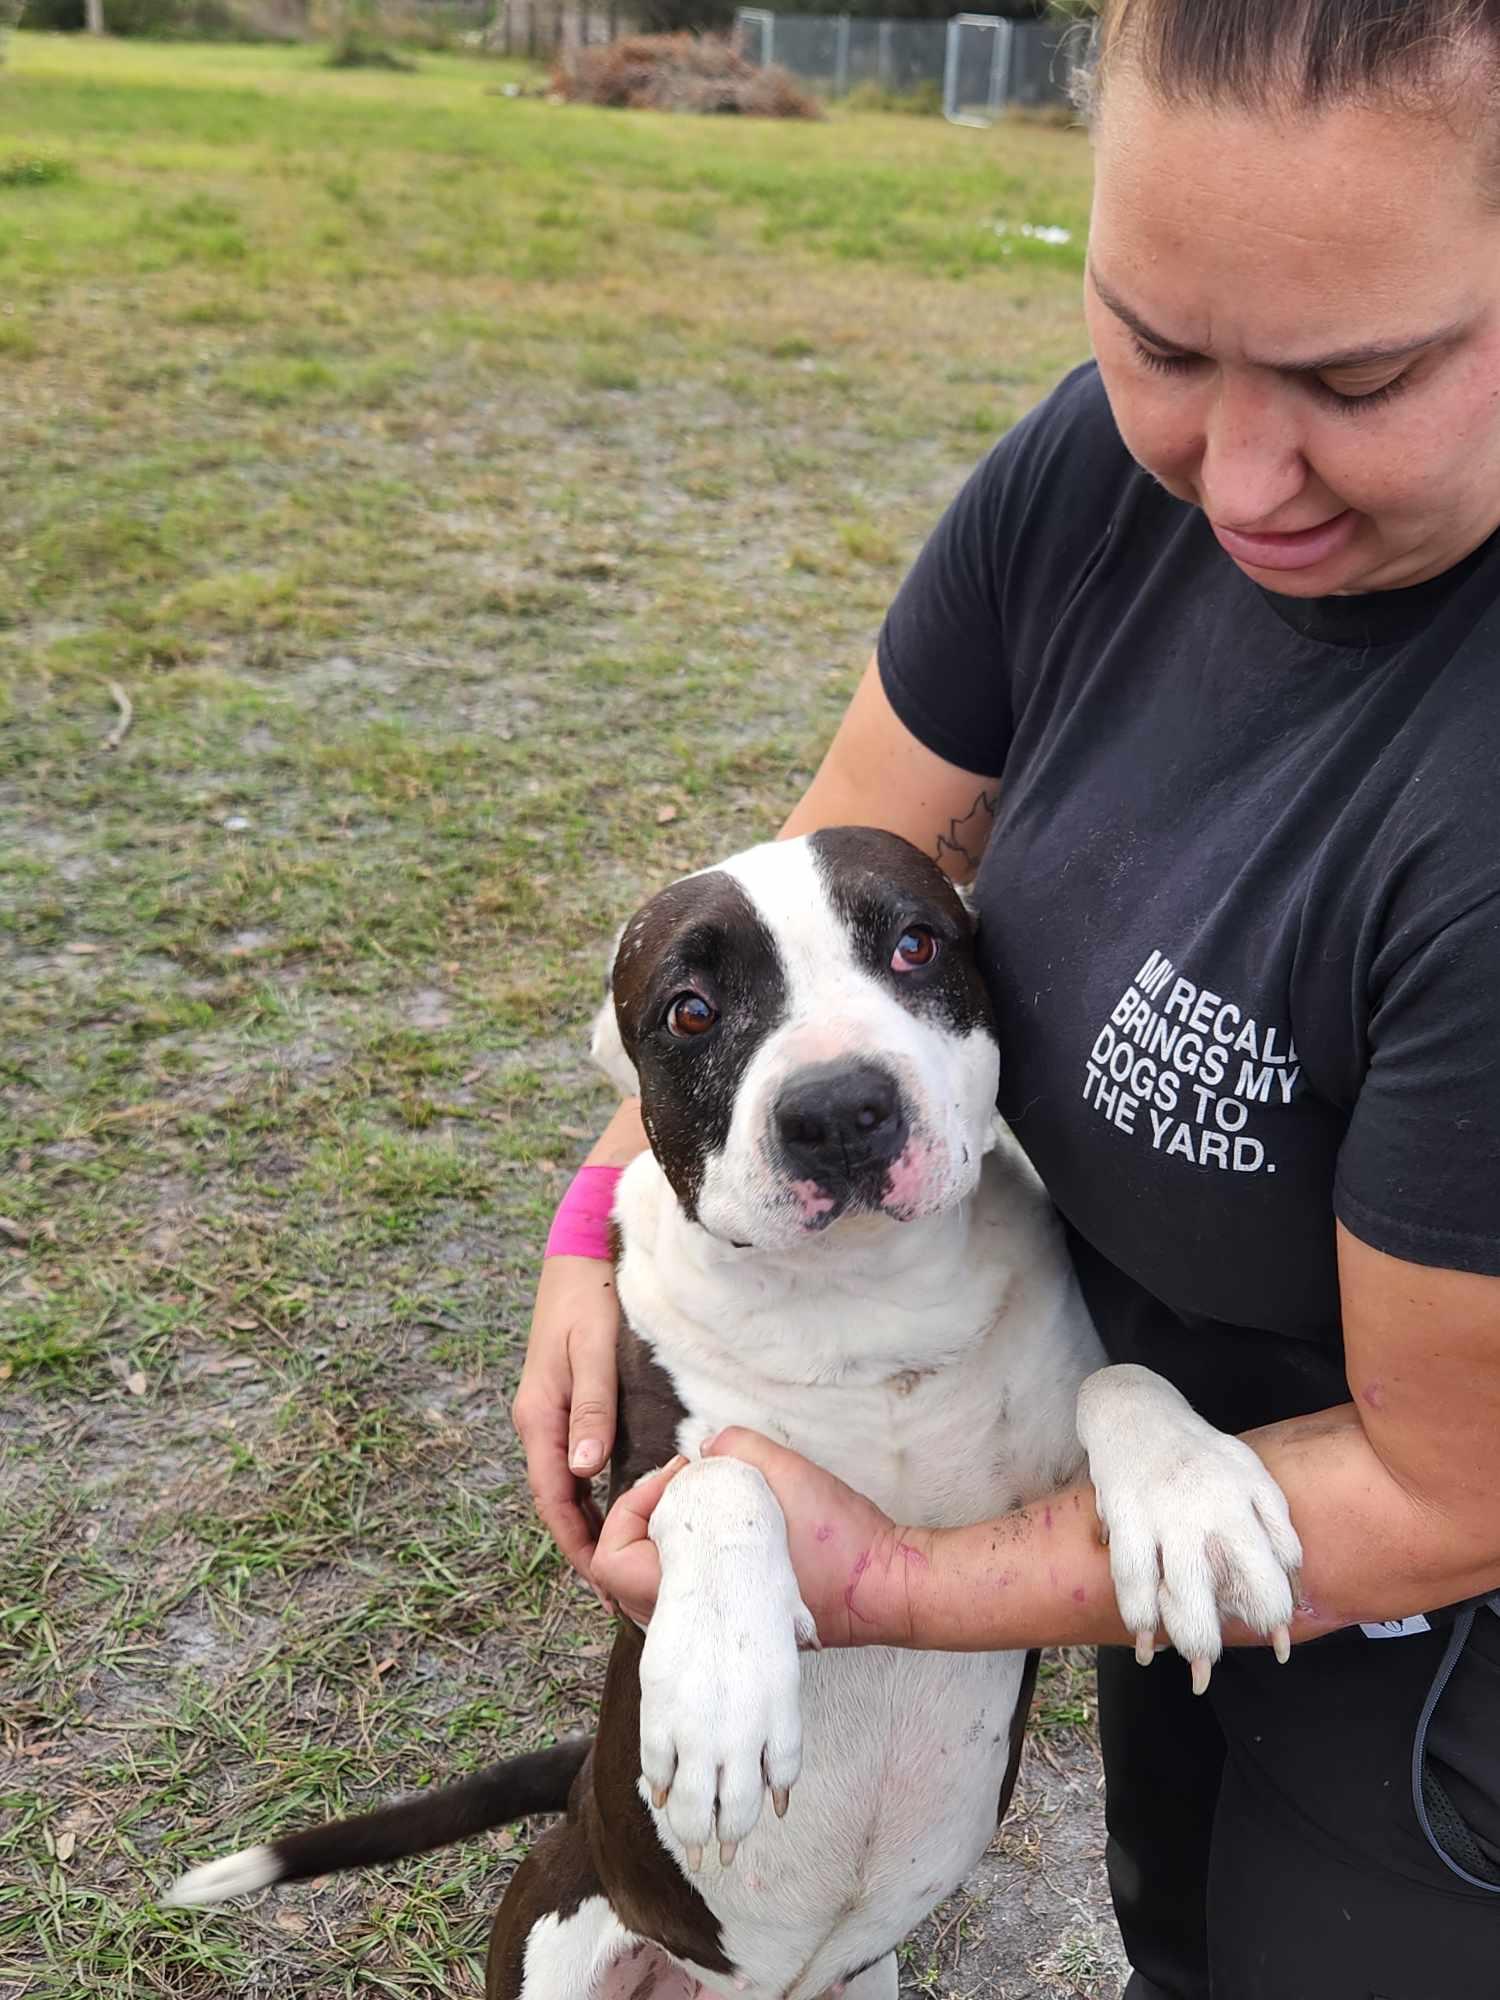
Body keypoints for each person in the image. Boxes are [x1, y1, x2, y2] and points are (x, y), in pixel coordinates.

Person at [513, 2, 1500, 1993]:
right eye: (1154, 335)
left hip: (1431, 1594)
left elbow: (1445, 1479)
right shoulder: (1091, 475)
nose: (1233, 473)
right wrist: (596, 1214)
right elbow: (829, 859)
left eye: (1359, 373)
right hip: (1132, 1423)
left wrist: (888, 1581)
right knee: (1166, 1923)